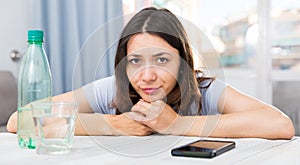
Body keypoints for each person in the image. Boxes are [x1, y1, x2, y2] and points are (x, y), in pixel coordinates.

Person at [7, 7, 294, 139]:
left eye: (161, 60)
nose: (146, 76)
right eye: (134, 61)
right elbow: (18, 121)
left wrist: (175, 125)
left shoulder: (203, 89)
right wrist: (113, 125)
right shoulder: (110, 90)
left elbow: (280, 125)